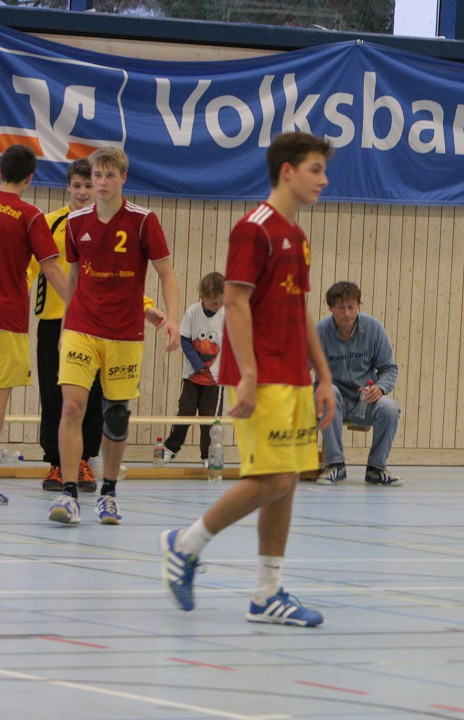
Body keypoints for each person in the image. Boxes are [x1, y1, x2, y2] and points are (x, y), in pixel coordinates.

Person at [161, 132, 336, 627]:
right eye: (315, 169)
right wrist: (250, 374)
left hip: (294, 378)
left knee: (289, 482)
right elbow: (236, 301)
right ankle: (186, 542)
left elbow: (300, 309)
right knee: (275, 477)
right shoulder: (253, 228)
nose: (324, 180)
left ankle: (267, 593)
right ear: (287, 171)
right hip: (262, 376)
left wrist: (322, 376)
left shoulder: (297, 237)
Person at [50, 147, 180, 525]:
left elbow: (166, 273)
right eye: (96, 176)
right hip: (81, 327)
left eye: (109, 176)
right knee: (72, 406)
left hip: (124, 332)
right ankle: (69, 493)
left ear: (123, 178)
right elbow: (75, 278)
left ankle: (108, 492)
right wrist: (64, 326)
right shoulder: (76, 223)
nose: (101, 183)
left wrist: (171, 317)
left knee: (117, 415)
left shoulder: (143, 221)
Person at [29, 160, 163, 492]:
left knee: (99, 398)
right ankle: (57, 465)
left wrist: (146, 307)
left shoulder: (119, 222)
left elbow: (117, 280)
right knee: (57, 398)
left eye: (89, 185)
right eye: (77, 185)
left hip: (103, 324)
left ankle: (85, 461)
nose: (83, 191)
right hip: (56, 321)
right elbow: (31, 270)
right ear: (68, 187)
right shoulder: (52, 223)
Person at [0, 145, 69, 459]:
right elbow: (52, 268)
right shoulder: (30, 216)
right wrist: (80, 303)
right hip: (7, 318)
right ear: (29, 178)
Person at [316, 281, 402, 486]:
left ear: (358, 305)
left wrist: (380, 388)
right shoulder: (319, 332)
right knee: (331, 390)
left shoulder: (373, 328)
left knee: (391, 408)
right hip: (331, 400)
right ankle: (335, 465)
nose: (347, 313)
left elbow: (389, 368)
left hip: (364, 401)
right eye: (340, 307)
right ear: (330, 308)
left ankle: (376, 468)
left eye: (351, 306)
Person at [163, 272, 225, 465]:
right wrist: (197, 365)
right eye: (214, 303)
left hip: (215, 381)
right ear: (202, 297)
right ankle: (170, 449)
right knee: (185, 413)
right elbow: (185, 340)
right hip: (192, 376)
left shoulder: (226, 315)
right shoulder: (192, 312)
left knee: (210, 421)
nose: (218, 306)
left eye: (221, 302)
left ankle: (208, 456)